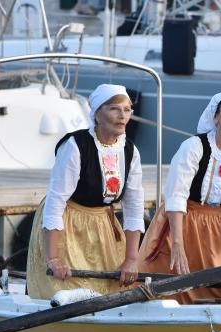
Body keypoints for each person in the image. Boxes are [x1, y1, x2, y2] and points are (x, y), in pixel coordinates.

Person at [137, 90, 221, 304]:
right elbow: (176, 195)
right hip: (186, 223)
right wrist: (177, 243)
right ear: (216, 116)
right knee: (173, 286)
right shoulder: (194, 146)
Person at [26, 84, 145, 299]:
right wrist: (53, 259)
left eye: (127, 110)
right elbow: (56, 201)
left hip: (103, 227)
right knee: (71, 290)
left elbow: (134, 206)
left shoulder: (129, 151)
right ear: (97, 113)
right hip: (68, 224)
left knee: (111, 289)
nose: (122, 116)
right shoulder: (75, 146)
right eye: (114, 109)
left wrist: (131, 259)